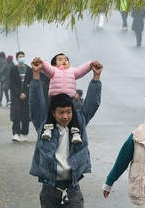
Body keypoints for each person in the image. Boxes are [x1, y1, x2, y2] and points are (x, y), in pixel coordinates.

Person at [29, 57, 103, 208]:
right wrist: (36, 76)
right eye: (61, 113)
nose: (65, 116)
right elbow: (36, 103)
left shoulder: (79, 122)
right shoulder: (44, 124)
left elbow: (92, 103)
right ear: (53, 113)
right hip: (50, 189)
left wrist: (96, 78)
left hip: (72, 188)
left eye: (68, 112)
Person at [38, 53, 97, 144]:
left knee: (73, 116)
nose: (64, 61)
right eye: (60, 59)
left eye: (66, 59)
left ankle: (76, 134)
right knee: (51, 114)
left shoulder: (72, 71)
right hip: (55, 97)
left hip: (69, 98)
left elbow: (81, 70)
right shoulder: (53, 71)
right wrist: (41, 61)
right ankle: (48, 130)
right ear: (54, 64)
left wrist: (90, 64)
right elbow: (46, 67)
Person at [9, 51, 32, 142]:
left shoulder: (29, 70)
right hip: (16, 96)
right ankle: (16, 133)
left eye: (23, 56)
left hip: (26, 96)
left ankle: (24, 133)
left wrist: (25, 93)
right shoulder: (13, 69)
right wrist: (19, 93)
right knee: (16, 114)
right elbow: (12, 83)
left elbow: (30, 83)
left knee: (25, 114)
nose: (22, 58)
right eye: (20, 56)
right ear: (17, 58)